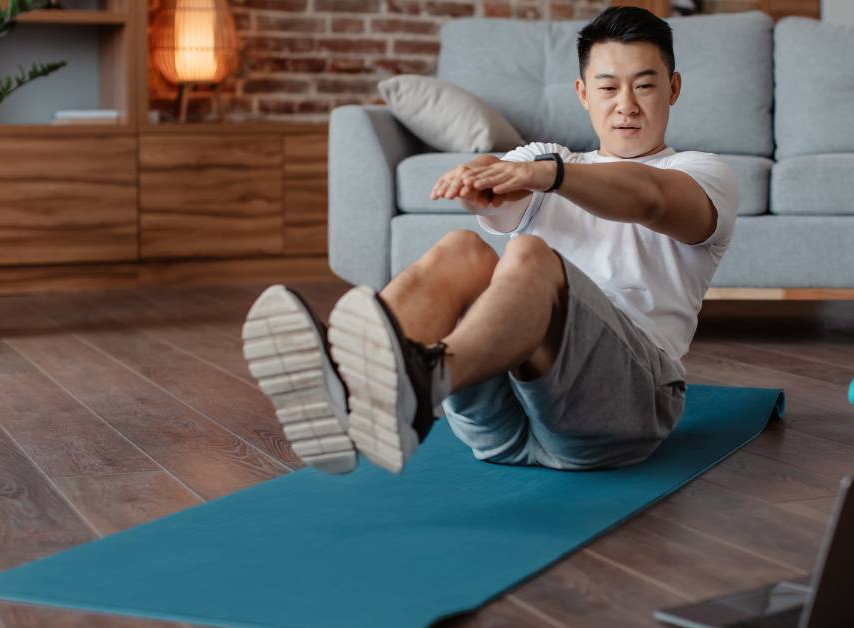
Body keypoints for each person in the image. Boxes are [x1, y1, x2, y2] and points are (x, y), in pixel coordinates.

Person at [242, 6, 738, 475]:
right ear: (583, 93)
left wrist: (547, 175)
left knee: (529, 253)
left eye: (644, 86)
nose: (625, 105)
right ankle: (345, 388)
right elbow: (498, 170)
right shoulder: (548, 158)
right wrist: (477, 175)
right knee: (462, 249)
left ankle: (419, 382)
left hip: (620, 411)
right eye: (608, 87)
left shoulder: (702, 174)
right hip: (502, 426)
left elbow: (648, 198)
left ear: (673, 89)